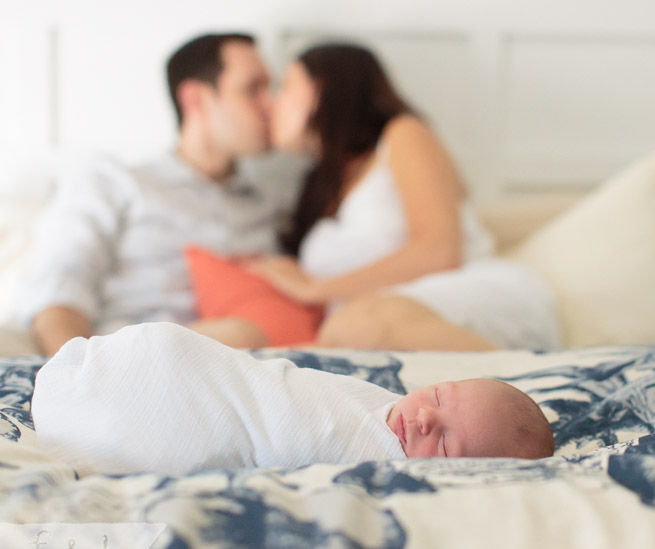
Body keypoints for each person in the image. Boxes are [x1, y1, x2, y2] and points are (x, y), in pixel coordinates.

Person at [192, 43, 561, 351]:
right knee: (342, 333)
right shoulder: (319, 184)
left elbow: (440, 250)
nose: (272, 104)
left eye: (285, 86)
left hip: (465, 299)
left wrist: (314, 288)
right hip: (374, 328)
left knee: (352, 329)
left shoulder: (402, 135)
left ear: (322, 90)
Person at [17, 33, 290, 356]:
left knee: (246, 335)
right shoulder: (114, 181)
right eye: (253, 89)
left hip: (240, 366)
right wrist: (78, 374)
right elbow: (61, 287)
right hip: (128, 360)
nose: (271, 105)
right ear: (196, 99)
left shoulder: (266, 203)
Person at [31, 322, 555, 476]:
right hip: (157, 361)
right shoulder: (392, 407)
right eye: (438, 396)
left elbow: (284, 425)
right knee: (170, 351)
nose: (421, 418)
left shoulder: (375, 459)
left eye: (443, 447)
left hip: (148, 417)